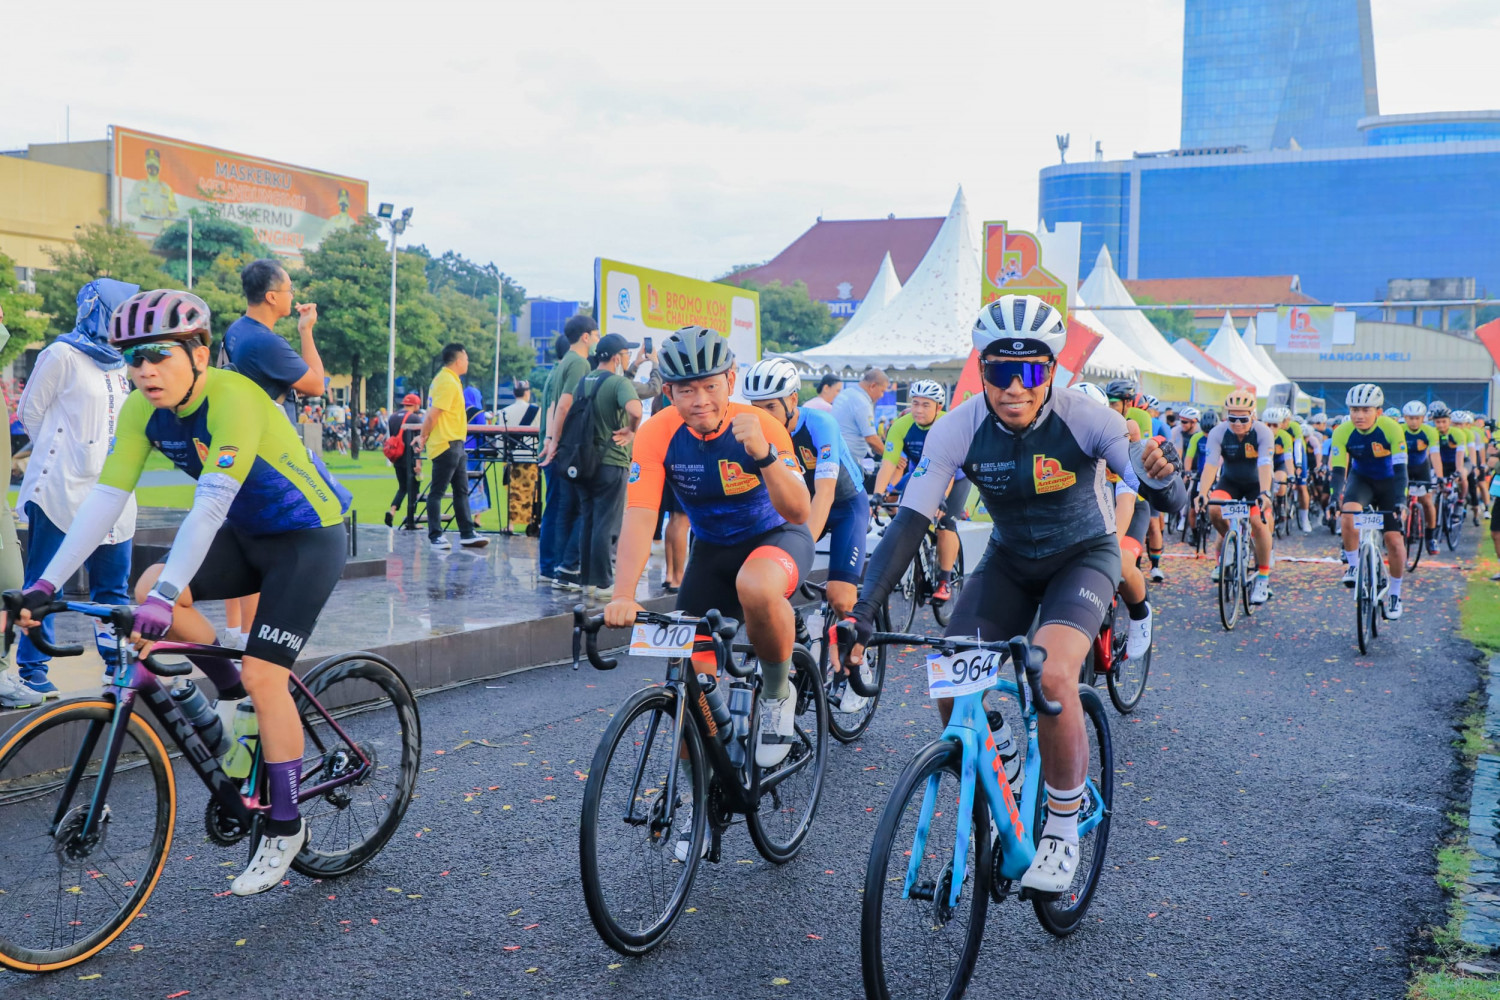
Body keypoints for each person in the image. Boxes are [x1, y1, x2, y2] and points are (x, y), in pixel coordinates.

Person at [11, 288, 351, 895]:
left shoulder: (234, 398)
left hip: (307, 539)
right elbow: (106, 499)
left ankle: (286, 823)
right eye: (133, 357)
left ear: (198, 353)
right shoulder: (141, 412)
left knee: (265, 674)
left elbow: (209, 506)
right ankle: (230, 698)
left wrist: (164, 597)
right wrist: (43, 585)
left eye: (159, 354)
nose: (145, 370)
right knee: (149, 587)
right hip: (247, 536)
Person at [841, 294, 1184, 893]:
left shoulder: (1089, 418)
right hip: (1009, 561)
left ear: (1050, 371)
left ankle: (1062, 824)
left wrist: (1163, 478)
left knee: (1051, 675)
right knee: (949, 676)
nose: (1015, 387)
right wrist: (865, 611)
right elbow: (911, 521)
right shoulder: (958, 427)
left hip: (1084, 556)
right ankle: (1005, 759)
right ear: (982, 370)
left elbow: (1161, 495)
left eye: (1030, 370)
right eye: (1001, 370)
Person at [606, 326, 812, 775]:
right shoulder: (657, 433)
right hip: (712, 552)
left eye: (710, 387)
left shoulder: (762, 424)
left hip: (776, 538)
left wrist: (764, 454)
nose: (700, 400)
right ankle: (696, 801)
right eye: (686, 390)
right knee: (689, 686)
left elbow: (799, 510)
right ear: (668, 392)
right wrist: (623, 594)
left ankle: (777, 692)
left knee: (755, 586)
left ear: (730, 381)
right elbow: (640, 515)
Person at [12, 279, 141, 703]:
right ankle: (33, 670)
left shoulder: (123, 362)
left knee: (113, 587)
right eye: (119, 311)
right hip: (61, 488)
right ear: (99, 311)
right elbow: (30, 411)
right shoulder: (61, 354)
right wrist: (67, 452)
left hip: (114, 490)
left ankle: (115, 665)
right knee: (46, 583)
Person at [742, 358, 871, 710]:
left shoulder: (820, 423)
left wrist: (802, 551)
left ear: (792, 400)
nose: (763, 417)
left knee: (841, 596)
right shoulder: (756, 433)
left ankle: (857, 662)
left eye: (771, 407)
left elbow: (825, 492)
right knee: (767, 581)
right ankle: (799, 639)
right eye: (756, 408)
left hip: (844, 506)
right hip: (797, 509)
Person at [873, 380, 966, 602]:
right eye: (915, 403)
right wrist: (877, 494)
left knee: (945, 524)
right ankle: (916, 541)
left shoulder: (948, 425)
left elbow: (949, 468)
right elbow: (888, 463)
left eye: (926, 405)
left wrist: (942, 498)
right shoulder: (901, 425)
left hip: (955, 475)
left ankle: (944, 581)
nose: (918, 410)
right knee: (892, 499)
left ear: (938, 407)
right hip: (922, 472)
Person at [573, 333, 643, 599]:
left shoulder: (583, 381)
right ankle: (603, 583)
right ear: (616, 358)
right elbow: (635, 410)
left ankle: (587, 580)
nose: (626, 359)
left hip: (583, 462)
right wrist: (631, 430)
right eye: (626, 355)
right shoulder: (617, 383)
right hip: (611, 461)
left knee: (588, 520)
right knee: (605, 522)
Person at [1330, 384, 1408, 618]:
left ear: (1378, 412)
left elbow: (1401, 470)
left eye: (1366, 410)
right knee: (1348, 515)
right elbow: (1338, 471)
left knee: (1393, 540)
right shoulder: (1342, 431)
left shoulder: (1391, 428)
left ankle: (1394, 594)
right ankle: (1354, 566)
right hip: (1361, 480)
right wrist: (1334, 497)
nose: (1359, 415)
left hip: (1390, 483)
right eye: (1354, 410)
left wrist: (1400, 500)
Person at [222, 259, 327, 424]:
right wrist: (306, 330)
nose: (292, 295)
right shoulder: (266, 343)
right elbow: (317, 386)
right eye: (289, 289)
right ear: (271, 297)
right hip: (271, 437)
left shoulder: (236, 329)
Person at [1195, 389, 1275, 603]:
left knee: (1258, 522)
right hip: (1230, 482)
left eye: (1243, 419)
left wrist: (1265, 493)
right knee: (1214, 509)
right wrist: (1202, 493)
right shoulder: (1218, 432)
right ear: (1226, 416)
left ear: (1253, 416)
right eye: (1232, 418)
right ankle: (1230, 544)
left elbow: (1265, 465)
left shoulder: (1263, 432)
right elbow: (1211, 466)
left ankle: (1263, 579)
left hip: (1257, 484)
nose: (1237, 423)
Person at [538, 314, 598, 588]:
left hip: (555, 446)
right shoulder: (579, 363)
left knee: (557, 508)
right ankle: (558, 567)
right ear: (586, 336)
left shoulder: (561, 365)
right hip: (563, 449)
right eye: (595, 335)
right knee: (566, 510)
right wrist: (554, 442)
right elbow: (563, 405)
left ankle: (551, 566)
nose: (597, 340)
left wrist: (550, 440)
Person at [415, 344, 489, 553]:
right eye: (466, 359)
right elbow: (433, 415)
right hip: (445, 443)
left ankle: (467, 533)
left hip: (456, 442)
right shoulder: (446, 381)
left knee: (461, 490)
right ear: (458, 361)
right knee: (437, 492)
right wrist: (423, 436)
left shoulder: (450, 379)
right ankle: (436, 535)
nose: (468, 362)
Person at [497, 381, 541, 534]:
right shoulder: (537, 410)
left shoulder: (504, 412)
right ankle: (533, 521)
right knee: (532, 492)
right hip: (531, 456)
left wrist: (501, 455)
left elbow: (499, 438)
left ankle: (511, 525)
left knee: (513, 492)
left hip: (512, 457)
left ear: (514, 393)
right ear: (527, 393)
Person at [1402, 400, 1442, 557]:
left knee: (1426, 501)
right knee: (1399, 499)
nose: (1414, 421)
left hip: (1421, 467)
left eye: (1417, 418)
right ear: (1405, 418)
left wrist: (1439, 476)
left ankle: (1431, 537)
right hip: (1403, 467)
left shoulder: (1430, 431)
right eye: (1410, 418)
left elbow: (1435, 455)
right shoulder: (1399, 430)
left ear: (1423, 418)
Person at [832, 367, 889, 472]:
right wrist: (891, 458)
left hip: (837, 454)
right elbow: (871, 439)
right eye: (882, 391)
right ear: (873, 386)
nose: (882, 395)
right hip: (849, 461)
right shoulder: (862, 403)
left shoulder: (847, 393)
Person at [385, 393, 424, 527]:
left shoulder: (392, 417)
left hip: (397, 457)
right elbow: (417, 443)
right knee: (414, 489)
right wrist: (418, 463)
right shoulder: (415, 418)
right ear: (415, 405)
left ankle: (392, 510)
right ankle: (411, 520)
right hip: (411, 458)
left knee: (402, 487)